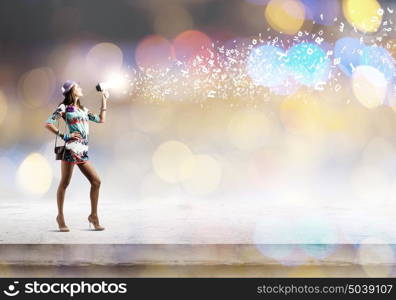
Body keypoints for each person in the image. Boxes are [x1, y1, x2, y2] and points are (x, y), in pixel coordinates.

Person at [45, 80, 109, 232]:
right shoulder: (64, 107)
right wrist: (64, 135)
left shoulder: (83, 109)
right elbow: (48, 123)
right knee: (65, 183)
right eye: (77, 87)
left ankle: (94, 216)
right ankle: (60, 217)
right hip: (70, 150)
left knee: (96, 182)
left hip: (82, 151)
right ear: (71, 91)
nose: (80, 88)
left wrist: (104, 99)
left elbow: (101, 119)